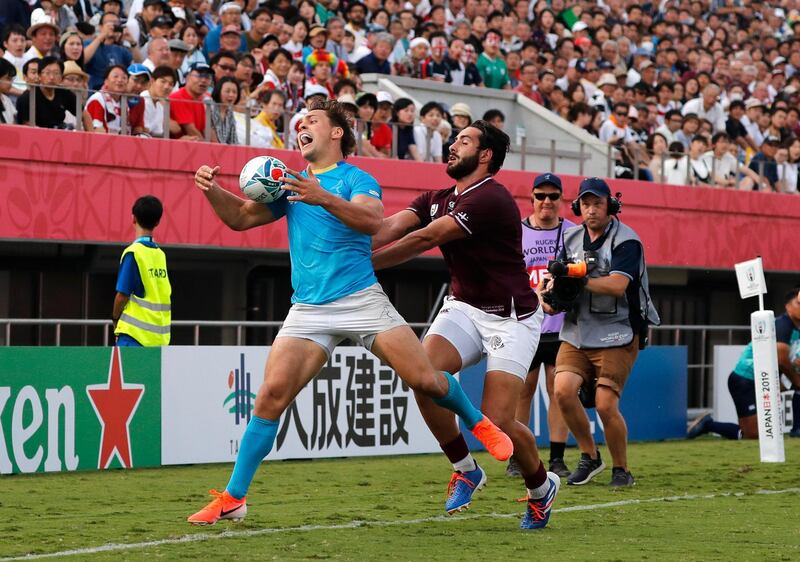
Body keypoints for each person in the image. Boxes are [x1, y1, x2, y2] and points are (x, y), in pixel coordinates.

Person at [187, 100, 511, 526]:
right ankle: (234, 497)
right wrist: (213, 190)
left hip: (360, 299)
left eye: (312, 121)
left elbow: (373, 220)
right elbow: (241, 218)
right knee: (269, 396)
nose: (301, 126)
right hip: (308, 309)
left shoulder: (357, 178)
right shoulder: (290, 186)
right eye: (299, 123)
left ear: (337, 132)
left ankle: (476, 420)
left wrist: (321, 196)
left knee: (424, 379)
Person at [371, 120, 560, 530]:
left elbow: (423, 239)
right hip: (463, 307)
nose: (452, 146)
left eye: (464, 141)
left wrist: (360, 267)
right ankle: (466, 469)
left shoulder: (491, 198)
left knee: (498, 423)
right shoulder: (437, 197)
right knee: (423, 378)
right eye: (454, 140)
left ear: (485, 155)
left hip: (512, 318)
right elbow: (388, 229)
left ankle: (541, 488)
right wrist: (342, 251)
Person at [543, 177, 659, 488]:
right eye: (586, 203)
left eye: (598, 203)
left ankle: (622, 469)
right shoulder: (570, 238)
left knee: (606, 404)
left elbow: (619, 286)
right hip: (578, 329)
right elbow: (560, 280)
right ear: (578, 206)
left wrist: (577, 281)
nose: (591, 209)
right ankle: (590, 456)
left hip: (618, 331)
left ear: (610, 205)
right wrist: (552, 295)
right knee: (563, 390)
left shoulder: (627, 240)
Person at [506, 173, 576, 479]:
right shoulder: (515, 232)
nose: (546, 201)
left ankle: (557, 458)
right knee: (522, 392)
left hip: (562, 326)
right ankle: (517, 457)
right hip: (525, 323)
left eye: (553, 196)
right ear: (531, 199)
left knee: (558, 391)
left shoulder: (573, 233)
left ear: (562, 200)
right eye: (540, 196)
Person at [688, 288, 800, 440]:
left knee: (755, 434)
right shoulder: (782, 325)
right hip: (746, 379)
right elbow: (781, 359)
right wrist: (795, 380)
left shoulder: (795, 329)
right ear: (788, 306)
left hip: (762, 380)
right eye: (798, 303)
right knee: (754, 434)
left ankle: (708, 425)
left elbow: (789, 360)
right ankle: (708, 425)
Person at [113, 195, 171, 347]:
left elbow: (122, 295)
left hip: (134, 337)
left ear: (133, 218)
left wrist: (115, 319)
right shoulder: (160, 255)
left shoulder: (133, 253)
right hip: (159, 340)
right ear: (158, 222)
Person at [16, 57, 77, 129]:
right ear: (39, 75)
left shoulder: (64, 93)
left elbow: (84, 114)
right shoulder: (27, 98)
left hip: (60, 135)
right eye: (47, 73)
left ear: (61, 77)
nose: (51, 77)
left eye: (56, 73)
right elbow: (28, 128)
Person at [129, 65, 178, 138]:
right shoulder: (143, 98)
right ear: (152, 81)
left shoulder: (160, 107)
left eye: (170, 84)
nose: (166, 87)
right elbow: (142, 131)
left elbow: (158, 133)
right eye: (163, 81)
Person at [169, 61, 211, 140]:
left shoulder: (202, 100)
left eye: (207, 77)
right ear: (187, 77)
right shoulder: (178, 97)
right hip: (177, 149)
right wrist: (212, 150)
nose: (204, 80)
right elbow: (192, 132)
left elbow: (206, 131)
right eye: (199, 75)